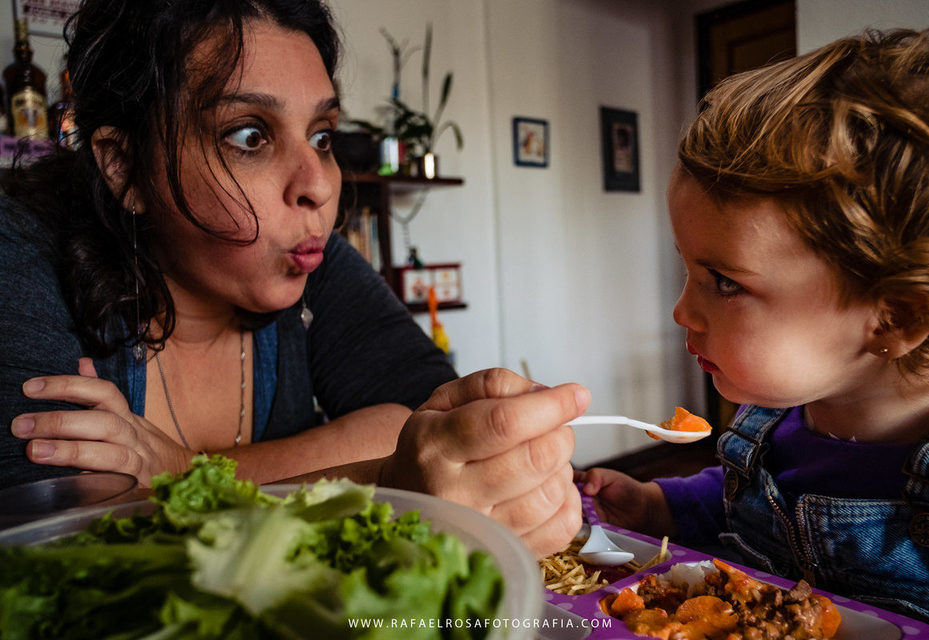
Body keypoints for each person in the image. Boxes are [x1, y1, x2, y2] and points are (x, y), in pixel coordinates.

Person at [0, 0, 585, 557]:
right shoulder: (20, 256)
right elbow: (49, 541)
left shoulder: (306, 258)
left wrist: (186, 476)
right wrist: (377, 475)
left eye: (322, 136)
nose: (320, 185)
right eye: (250, 136)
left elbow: (430, 420)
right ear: (124, 166)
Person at [579, 25, 929, 636]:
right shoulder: (768, 425)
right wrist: (656, 507)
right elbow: (743, 502)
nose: (681, 312)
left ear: (896, 317)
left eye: (725, 282)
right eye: (689, 271)